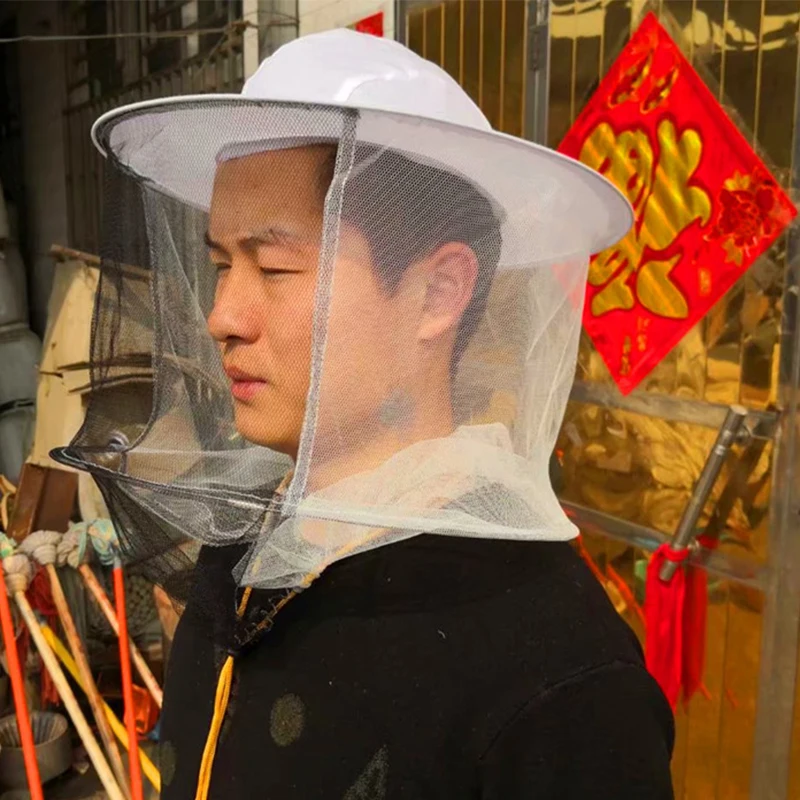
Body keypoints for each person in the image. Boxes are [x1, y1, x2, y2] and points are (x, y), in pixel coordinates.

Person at [55, 30, 674, 799]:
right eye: (221, 265)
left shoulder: (554, 676)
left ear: (439, 292)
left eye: (274, 267)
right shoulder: (249, 552)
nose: (222, 315)